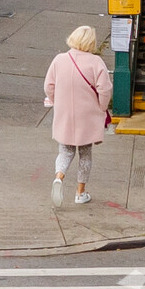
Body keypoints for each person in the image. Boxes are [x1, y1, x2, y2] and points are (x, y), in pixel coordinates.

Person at [44, 24, 113, 207]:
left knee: (65, 150)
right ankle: (80, 193)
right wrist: (101, 108)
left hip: (65, 113)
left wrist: (55, 100)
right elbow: (105, 90)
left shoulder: (59, 60)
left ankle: (59, 176)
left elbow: (49, 86)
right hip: (87, 115)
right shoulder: (96, 63)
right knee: (85, 154)